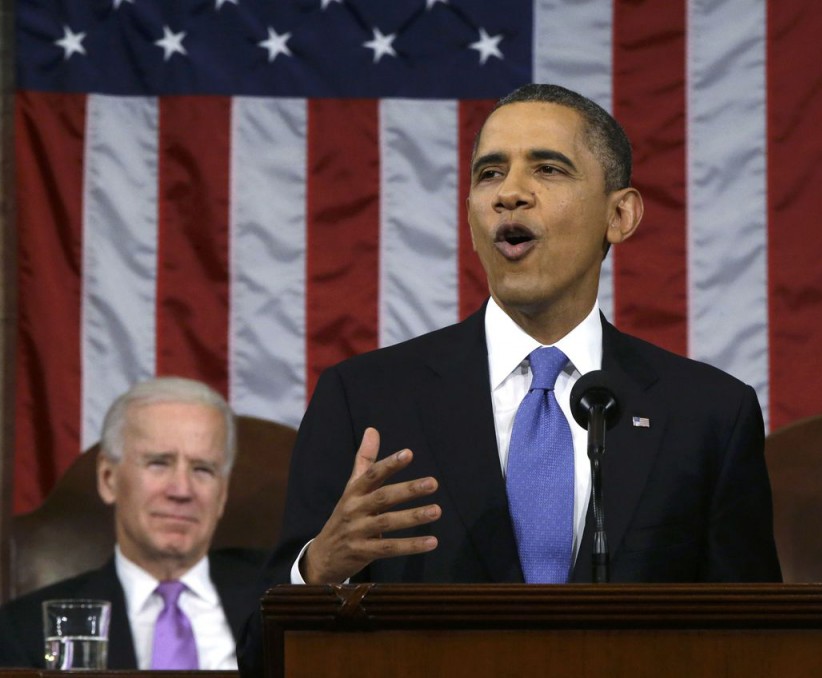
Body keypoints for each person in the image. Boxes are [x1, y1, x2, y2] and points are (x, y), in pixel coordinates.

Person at [253, 83, 780, 594]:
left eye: (548, 169)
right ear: (470, 217)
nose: (509, 193)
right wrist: (320, 569)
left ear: (619, 215)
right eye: (490, 173)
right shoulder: (365, 398)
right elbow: (262, 646)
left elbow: (758, 642)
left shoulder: (709, 415)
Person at [0, 377, 264, 670]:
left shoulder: (280, 601)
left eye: (202, 469)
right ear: (108, 479)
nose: (181, 490)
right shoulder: (24, 630)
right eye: (158, 463)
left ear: (222, 493)